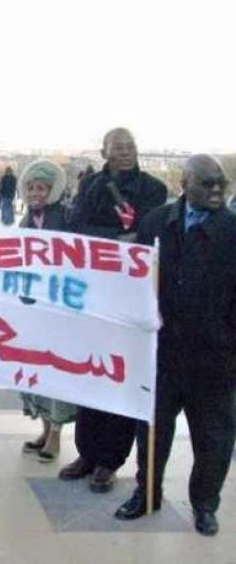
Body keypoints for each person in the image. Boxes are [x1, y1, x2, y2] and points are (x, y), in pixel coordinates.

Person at [115, 154, 236, 536]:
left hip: (214, 358)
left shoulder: (233, 230)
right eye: (207, 183)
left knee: (213, 438)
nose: (217, 189)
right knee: (152, 431)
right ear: (184, 184)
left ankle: (205, 505)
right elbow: (134, 280)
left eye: (221, 182)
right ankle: (147, 493)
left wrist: (227, 339)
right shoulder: (156, 222)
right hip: (162, 354)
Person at [60, 128, 167, 493]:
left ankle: (110, 459)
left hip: (130, 294)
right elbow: (77, 229)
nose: (125, 152)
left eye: (130, 146)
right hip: (96, 293)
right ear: (104, 151)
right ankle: (86, 453)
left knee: (121, 374)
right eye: (118, 147)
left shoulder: (153, 189)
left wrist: (107, 237)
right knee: (90, 371)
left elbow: (147, 232)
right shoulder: (90, 186)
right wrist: (116, 240)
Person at [16, 160, 77, 462]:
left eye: (41, 188)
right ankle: (43, 428)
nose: (35, 193)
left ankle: (55, 433)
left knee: (57, 369)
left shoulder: (66, 217)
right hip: (34, 306)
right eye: (30, 188)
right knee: (36, 367)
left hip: (59, 307)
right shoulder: (26, 221)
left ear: (52, 191)